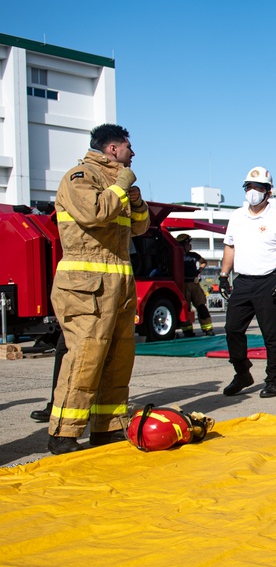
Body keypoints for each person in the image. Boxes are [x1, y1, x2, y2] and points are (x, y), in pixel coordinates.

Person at [47, 123, 150, 454]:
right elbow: (94, 213)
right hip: (85, 286)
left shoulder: (117, 184)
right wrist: (121, 187)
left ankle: (108, 428)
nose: (133, 154)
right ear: (113, 149)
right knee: (86, 357)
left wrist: (135, 202)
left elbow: (140, 228)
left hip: (119, 286)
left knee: (119, 358)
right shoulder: (80, 177)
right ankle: (63, 433)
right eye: (128, 148)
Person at [218, 167, 276, 399]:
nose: (253, 192)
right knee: (232, 329)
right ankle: (242, 372)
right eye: (249, 187)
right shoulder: (237, 217)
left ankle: (273, 380)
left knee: (271, 335)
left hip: (268, 281)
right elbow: (229, 246)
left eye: (258, 188)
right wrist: (224, 275)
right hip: (242, 282)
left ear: (268, 192)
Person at [175, 233, 215, 337]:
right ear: (183, 244)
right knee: (186, 309)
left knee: (201, 307)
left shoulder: (193, 255)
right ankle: (187, 331)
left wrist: (199, 270)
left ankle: (208, 329)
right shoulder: (176, 255)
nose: (190, 245)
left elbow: (203, 262)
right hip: (183, 285)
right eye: (188, 243)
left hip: (194, 284)